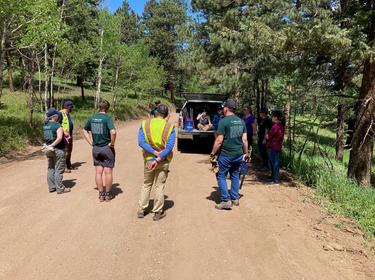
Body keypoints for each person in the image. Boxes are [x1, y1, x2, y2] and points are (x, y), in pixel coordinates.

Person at [137, 104, 176, 221]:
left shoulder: (145, 124)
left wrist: (153, 153)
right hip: (163, 160)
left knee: (146, 184)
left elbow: (141, 142)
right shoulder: (170, 127)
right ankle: (158, 212)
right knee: (159, 186)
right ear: (167, 115)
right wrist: (159, 157)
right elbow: (169, 146)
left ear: (156, 112)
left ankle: (141, 210)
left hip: (149, 160)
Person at [210, 99, 248, 210]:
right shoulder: (241, 121)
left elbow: (219, 140)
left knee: (221, 175)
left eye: (223, 108)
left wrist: (213, 153)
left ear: (226, 108)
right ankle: (235, 198)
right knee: (235, 174)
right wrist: (245, 154)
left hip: (226, 155)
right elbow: (244, 140)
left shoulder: (224, 121)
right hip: (238, 155)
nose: (223, 109)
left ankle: (226, 200)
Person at [83, 100, 117, 202]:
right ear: (107, 108)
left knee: (98, 172)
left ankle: (101, 194)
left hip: (96, 148)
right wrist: (112, 143)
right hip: (106, 148)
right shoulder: (107, 118)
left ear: (99, 107)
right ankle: (107, 195)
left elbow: (85, 130)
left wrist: (90, 142)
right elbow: (113, 132)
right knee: (108, 172)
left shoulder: (92, 117)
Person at [43, 108, 71, 194]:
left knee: (51, 168)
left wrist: (49, 146)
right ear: (54, 116)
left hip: (48, 149)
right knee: (58, 169)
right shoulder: (57, 125)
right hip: (58, 149)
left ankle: (52, 187)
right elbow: (59, 138)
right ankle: (60, 188)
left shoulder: (45, 125)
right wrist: (53, 145)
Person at [266, 110, 285, 186]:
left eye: (273, 116)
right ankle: (273, 177)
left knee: (275, 163)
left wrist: (267, 136)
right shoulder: (279, 125)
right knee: (273, 162)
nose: (271, 117)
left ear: (276, 117)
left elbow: (269, 136)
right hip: (275, 146)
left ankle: (276, 180)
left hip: (273, 146)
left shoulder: (276, 126)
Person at [60, 100, 74, 173]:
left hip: (69, 135)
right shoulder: (61, 113)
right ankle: (64, 167)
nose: (72, 109)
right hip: (63, 136)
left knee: (69, 150)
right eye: (72, 107)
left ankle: (68, 164)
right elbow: (58, 124)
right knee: (65, 151)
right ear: (68, 107)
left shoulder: (68, 113)